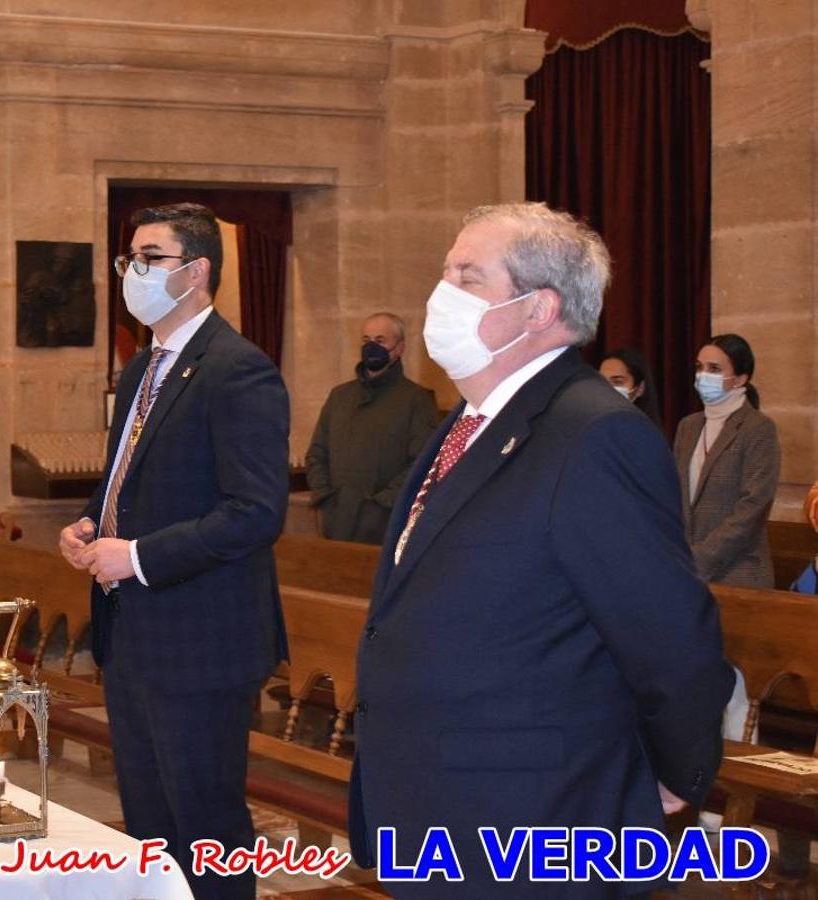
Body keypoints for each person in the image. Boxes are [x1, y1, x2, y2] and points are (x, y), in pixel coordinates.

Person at [348, 202, 734, 897]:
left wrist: (677, 774)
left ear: (538, 309)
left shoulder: (592, 434)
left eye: (469, 277)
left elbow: (670, 634)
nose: (442, 295)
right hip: (436, 803)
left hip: (532, 816)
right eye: (445, 273)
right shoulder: (465, 423)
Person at [59, 202, 289, 900]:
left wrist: (139, 558)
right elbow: (132, 478)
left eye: (151, 258)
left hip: (199, 639)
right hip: (132, 637)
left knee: (206, 827)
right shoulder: (144, 368)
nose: (135, 271)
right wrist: (89, 525)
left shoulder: (236, 370)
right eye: (131, 257)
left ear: (198, 271)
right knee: (151, 829)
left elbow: (254, 513)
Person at [305, 313, 437, 543]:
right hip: (337, 522)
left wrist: (383, 503)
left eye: (380, 340)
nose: (371, 347)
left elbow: (422, 463)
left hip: (385, 524)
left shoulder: (417, 400)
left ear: (399, 348)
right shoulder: (340, 397)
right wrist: (324, 495)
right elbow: (317, 453)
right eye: (366, 340)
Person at [672, 334, 781, 587]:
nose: (702, 376)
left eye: (714, 369)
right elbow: (676, 495)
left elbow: (752, 508)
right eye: (699, 367)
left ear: (740, 379)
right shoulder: (688, 426)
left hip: (738, 573)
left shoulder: (758, 428)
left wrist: (698, 559)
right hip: (686, 572)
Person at [598, 346, 662, 427]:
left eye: (617, 382)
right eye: (602, 381)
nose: (607, 389)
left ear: (640, 388)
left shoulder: (646, 432)